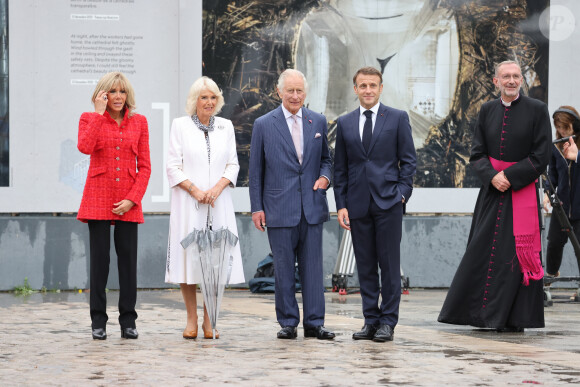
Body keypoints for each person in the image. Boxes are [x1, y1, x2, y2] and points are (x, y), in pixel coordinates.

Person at [438, 60, 551, 331]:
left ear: (521, 80)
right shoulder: (487, 110)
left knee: (514, 258)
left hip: (520, 193)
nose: (511, 81)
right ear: (495, 82)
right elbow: (476, 154)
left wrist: (510, 177)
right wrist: (492, 176)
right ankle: (478, 315)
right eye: (506, 77)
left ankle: (512, 319)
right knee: (482, 252)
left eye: (516, 76)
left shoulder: (537, 110)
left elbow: (541, 156)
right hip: (491, 194)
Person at [249, 69, 335, 340]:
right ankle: (288, 322)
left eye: (299, 91)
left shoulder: (318, 121)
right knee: (284, 269)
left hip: (311, 206)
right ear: (279, 92)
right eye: (290, 91)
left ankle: (314, 323)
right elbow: (256, 170)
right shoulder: (263, 124)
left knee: (313, 269)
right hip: (278, 207)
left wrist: (324, 178)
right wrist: (256, 208)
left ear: (305, 93)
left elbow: (327, 160)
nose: (295, 95)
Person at [333, 66, 416, 342]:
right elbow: (340, 169)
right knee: (366, 265)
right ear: (355, 89)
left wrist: (402, 193)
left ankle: (388, 322)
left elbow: (409, 160)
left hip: (389, 202)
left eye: (373, 85)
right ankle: (371, 320)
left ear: (381, 88)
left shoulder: (397, 118)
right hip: (357, 205)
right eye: (363, 85)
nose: (368, 90)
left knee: (389, 265)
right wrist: (341, 204)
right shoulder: (344, 123)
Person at [165, 76, 245, 340]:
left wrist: (217, 188)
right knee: (189, 262)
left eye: (213, 97)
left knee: (217, 261)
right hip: (190, 203)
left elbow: (232, 164)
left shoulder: (226, 126)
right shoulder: (180, 126)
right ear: (194, 101)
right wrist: (195, 190)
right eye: (204, 97)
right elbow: (172, 166)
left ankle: (210, 321)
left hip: (218, 202)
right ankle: (191, 319)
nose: (209, 102)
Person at [77, 72, 151, 340]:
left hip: (128, 199)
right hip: (98, 196)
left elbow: (145, 166)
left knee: (128, 263)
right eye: (111, 92)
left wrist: (133, 198)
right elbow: (85, 147)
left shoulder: (139, 122)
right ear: (102, 95)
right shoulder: (89, 118)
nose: (117, 97)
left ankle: (128, 321)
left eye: (121, 91)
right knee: (100, 262)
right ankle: (98, 321)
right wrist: (98, 114)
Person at [544, 106, 580, 278]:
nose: (561, 131)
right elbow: (553, 175)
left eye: (565, 127)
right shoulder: (555, 147)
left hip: (579, 207)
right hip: (562, 206)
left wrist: (577, 156)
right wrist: (546, 193)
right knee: (554, 243)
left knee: (579, 247)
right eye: (558, 127)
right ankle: (551, 277)